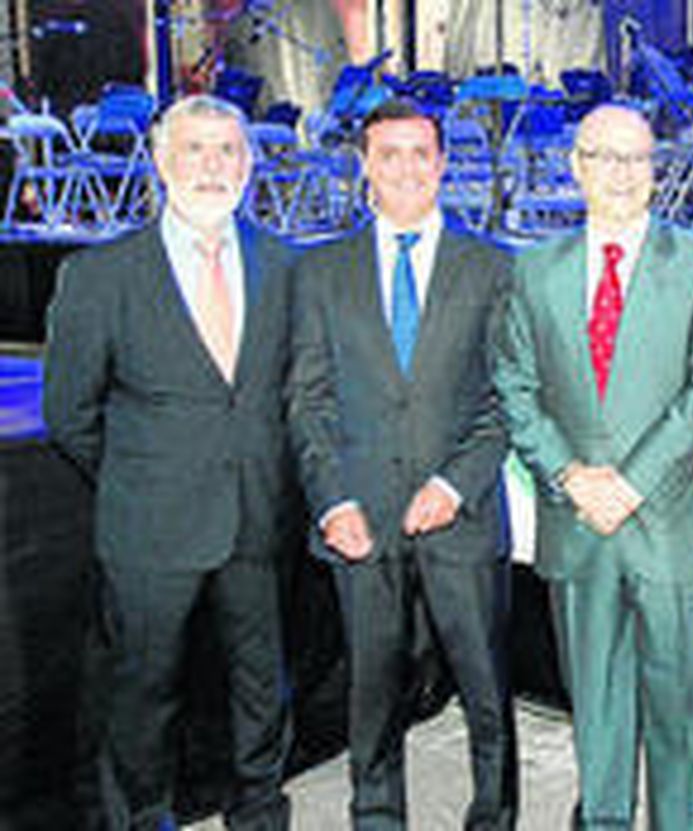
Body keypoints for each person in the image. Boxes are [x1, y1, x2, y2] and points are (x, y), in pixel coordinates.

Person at [41, 94, 294, 830]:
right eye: (195, 149)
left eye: (227, 151)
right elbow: (70, 414)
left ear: (248, 164)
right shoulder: (99, 275)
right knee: (142, 695)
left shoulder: (284, 266)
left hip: (255, 518)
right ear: (159, 160)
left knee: (260, 689)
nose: (212, 166)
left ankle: (259, 814)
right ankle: (139, 818)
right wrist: (140, 475)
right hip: (148, 528)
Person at [492, 104, 693, 829]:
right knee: (595, 708)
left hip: (667, 520)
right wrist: (571, 476)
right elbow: (514, 383)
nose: (622, 173)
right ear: (576, 167)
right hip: (577, 523)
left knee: (679, 709)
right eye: (604, 157)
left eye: (637, 158)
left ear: (656, 170)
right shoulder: (534, 267)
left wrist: (626, 484)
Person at [286, 98, 517, 829]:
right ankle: (376, 812)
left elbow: (508, 399)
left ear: (444, 163)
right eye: (389, 154)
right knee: (372, 689)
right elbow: (307, 401)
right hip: (361, 517)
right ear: (364, 167)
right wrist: (332, 501)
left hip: (464, 516)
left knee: (486, 687)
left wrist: (454, 483)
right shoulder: (320, 271)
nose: (407, 168)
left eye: (422, 152)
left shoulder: (492, 267)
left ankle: (495, 811)